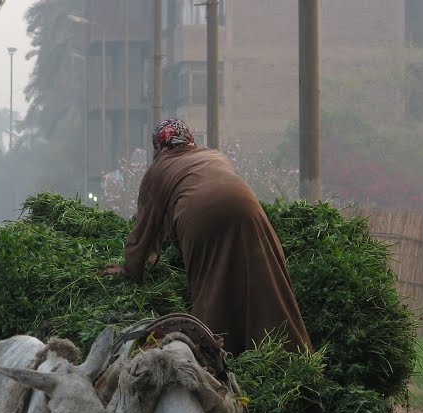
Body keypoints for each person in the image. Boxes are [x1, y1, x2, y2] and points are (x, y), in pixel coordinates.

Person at [103, 118, 312, 356]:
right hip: (250, 212)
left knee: (213, 285)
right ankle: (290, 355)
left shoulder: (158, 170)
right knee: (266, 281)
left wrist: (131, 270)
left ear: (158, 148)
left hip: (201, 220)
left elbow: (144, 231)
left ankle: (218, 357)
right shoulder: (214, 156)